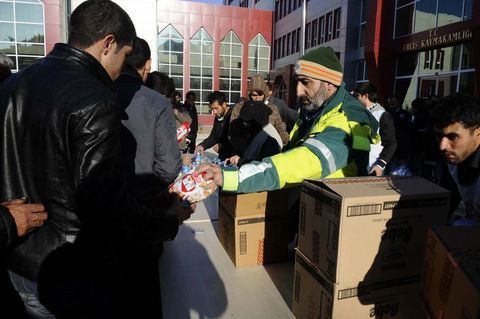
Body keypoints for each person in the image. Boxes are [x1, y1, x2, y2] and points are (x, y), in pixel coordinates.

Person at [0, 1, 193, 318]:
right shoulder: (95, 99)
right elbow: (107, 210)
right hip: (71, 273)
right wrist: (170, 219)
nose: (122, 70)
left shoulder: (12, 84)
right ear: (108, 44)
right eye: (123, 56)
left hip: (19, 262)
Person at [197, 46, 378, 193]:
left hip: (331, 211)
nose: (298, 91)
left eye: (306, 82)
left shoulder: (347, 122)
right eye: (297, 82)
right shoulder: (315, 111)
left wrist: (232, 177)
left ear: (329, 83)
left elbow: (302, 161)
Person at [116, 37, 181, 206]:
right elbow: (169, 167)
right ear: (148, 64)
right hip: (144, 202)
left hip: (100, 203)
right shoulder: (158, 103)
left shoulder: (97, 93)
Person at [430, 94, 480, 224]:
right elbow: (447, 205)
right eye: (438, 136)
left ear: (478, 134)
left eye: (452, 137)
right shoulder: (451, 162)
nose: (442, 146)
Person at [231, 74, 289, 147]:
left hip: (268, 148)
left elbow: (280, 130)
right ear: (249, 94)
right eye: (254, 95)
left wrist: (289, 141)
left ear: (265, 94)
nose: (257, 98)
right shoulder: (239, 108)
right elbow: (233, 132)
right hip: (244, 149)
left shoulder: (273, 109)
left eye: (260, 94)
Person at [354, 82, 397, 176]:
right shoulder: (359, 112)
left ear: (365, 96)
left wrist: (380, 165)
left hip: (373, 166)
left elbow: (391, 143)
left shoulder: (382, 115)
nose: (355, 98)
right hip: (357, 164)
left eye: (357, 95)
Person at [227, 101, 281, 166]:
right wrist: (234, 158)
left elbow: (266, 167)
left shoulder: (269, 140)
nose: (244, 124)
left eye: (246, 122)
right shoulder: (254, 132)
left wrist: (240, 161)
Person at [195, 91, 235, 160]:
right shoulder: (218, 117)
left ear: (224, 104)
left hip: (233, 158)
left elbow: (237, 139)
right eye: (212, 109)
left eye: (216, 108)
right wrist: (202, 146)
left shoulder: (234, 116)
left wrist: (223, 146)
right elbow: (214, 136)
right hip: (222, 157)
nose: (214, 112)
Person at [387, 95, 413, 170]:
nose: (391, 106)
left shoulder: (406, 114)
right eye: (390, 104)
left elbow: (407, 131)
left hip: (401, 145)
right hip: (389, 146)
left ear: (398, 103)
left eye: (393, 104)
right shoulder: (386, 113)